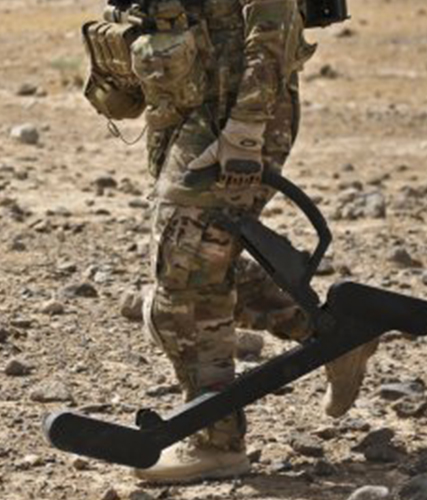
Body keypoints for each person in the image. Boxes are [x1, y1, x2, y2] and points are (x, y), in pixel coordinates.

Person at [119, 0, 379, 484]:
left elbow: (274, 13)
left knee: (184, 280)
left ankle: (217, 443)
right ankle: (334, 335)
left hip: (237, 107)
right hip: (190, 102)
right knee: (203, 261)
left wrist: (246, 127)